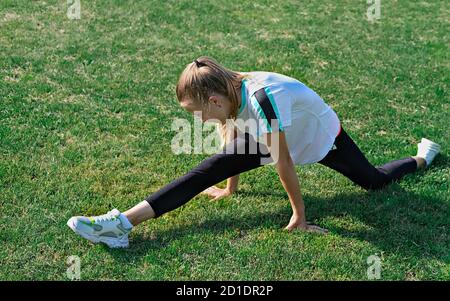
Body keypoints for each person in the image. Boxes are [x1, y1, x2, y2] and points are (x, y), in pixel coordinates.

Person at [67, 56, 441, 248]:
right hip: (273, 134)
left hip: (321, 138)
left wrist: (300, 216)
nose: (198, 121)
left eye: (197, 114)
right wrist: (230, 187)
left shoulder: (262, 101)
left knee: (373, 181)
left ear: (213, 99)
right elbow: (233, 134)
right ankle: (121, 224)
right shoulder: (228, 91)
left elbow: (284, 161)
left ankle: (422, 157)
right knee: (207, 169)